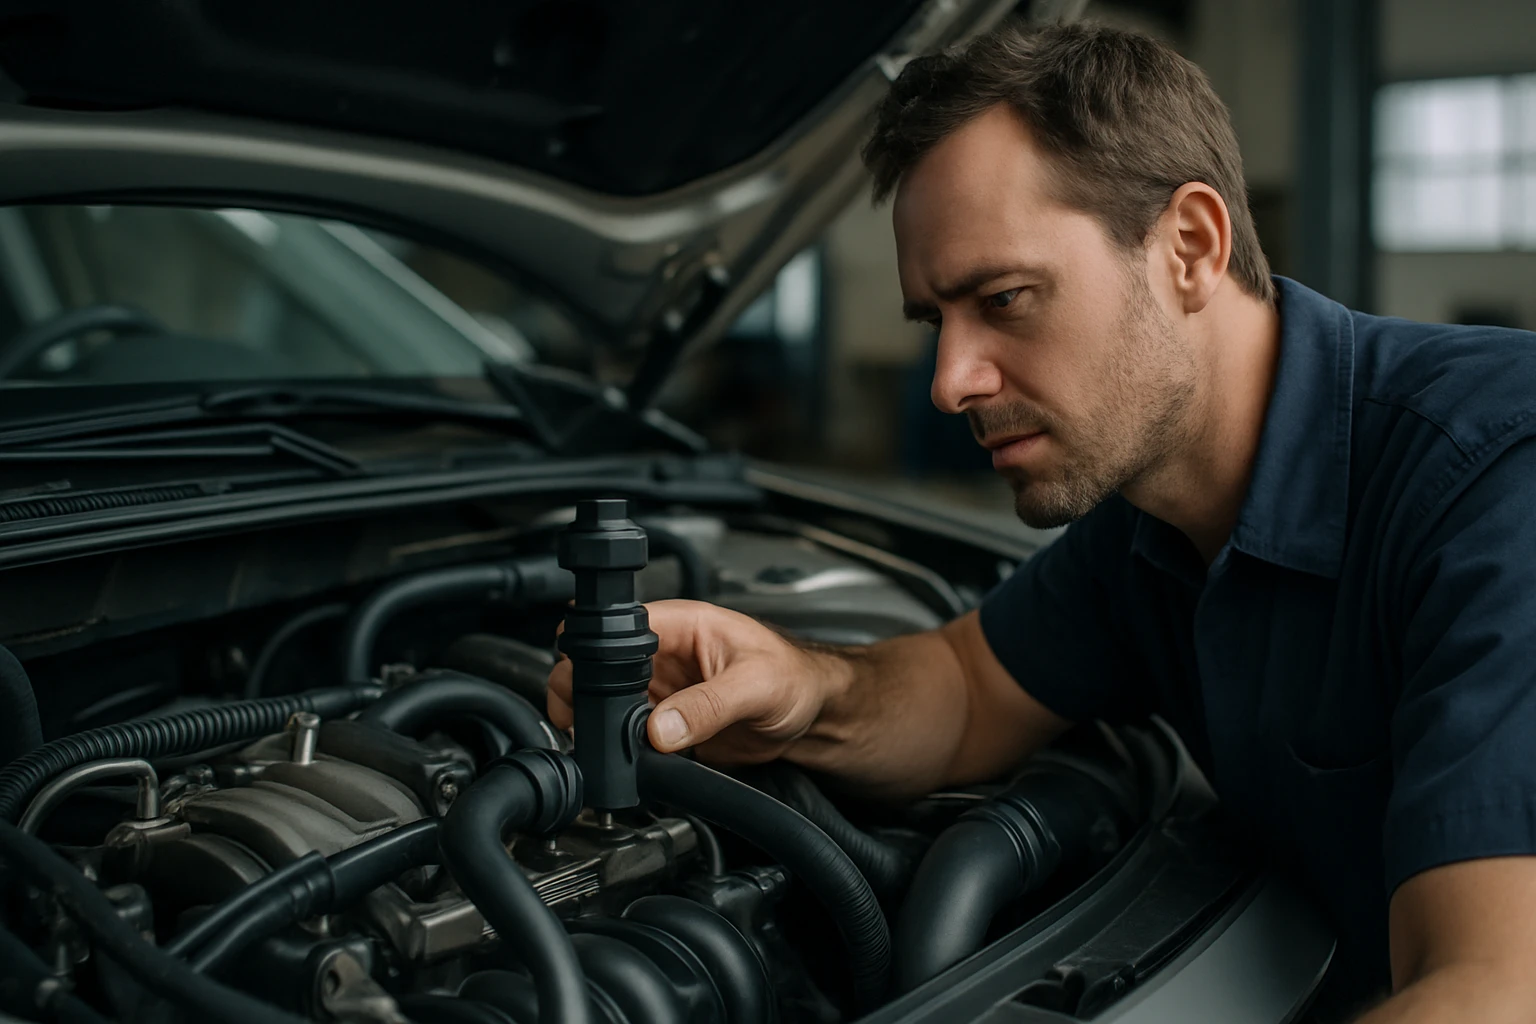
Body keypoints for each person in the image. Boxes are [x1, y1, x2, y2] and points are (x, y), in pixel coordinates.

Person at [549, 20, 1536, 1023]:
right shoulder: (1151, 514)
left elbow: (1494, 993)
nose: (947, 382)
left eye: (1006, 297)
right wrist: (804, 684)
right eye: (938, 320)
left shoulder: (1494, 482)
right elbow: (971, 689)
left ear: (1189, 247)